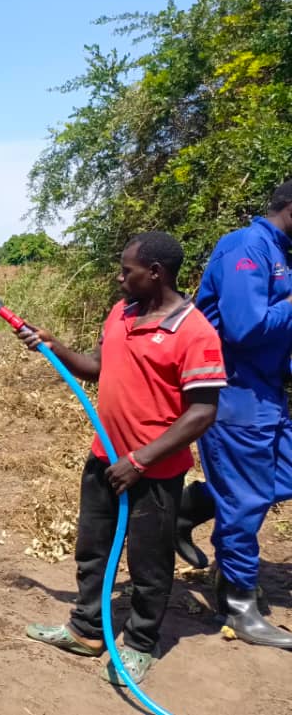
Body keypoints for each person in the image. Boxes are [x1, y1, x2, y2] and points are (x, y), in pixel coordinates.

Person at [19, 232, 225, 686]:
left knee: (149, 562)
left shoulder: (195, 332)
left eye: (126, 270)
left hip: (153, 471)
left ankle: (140, 644)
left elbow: (203, 411)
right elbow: (97, 367)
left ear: (155, 272)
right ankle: (87, 630)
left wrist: (140, 460)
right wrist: (53, 347)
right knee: (92, 549)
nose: (119, 277)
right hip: (105, 457)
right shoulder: (122, 313)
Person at [176, 181, 292, 648]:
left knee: (272, 480)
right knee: (246, 499)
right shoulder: (247, 247)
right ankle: (239, 602)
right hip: (235, 396)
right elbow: (246, 327)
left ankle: (189, 509)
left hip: (267, 393)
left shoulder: (279, 250)